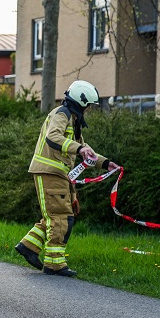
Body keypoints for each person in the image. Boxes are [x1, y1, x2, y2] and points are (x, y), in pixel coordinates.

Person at [15, 80, 120, 277]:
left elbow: (84, 150)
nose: (89, 110)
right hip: (50, 172)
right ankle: (55, 264)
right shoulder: (61, 114)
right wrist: (79, 148)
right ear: (81, 102)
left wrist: (106, 163)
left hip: (58, 174)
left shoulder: (71, 118)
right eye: (88, 106)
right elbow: (53, 137)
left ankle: (29, 246)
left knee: (56, 216)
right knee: (61, 218)